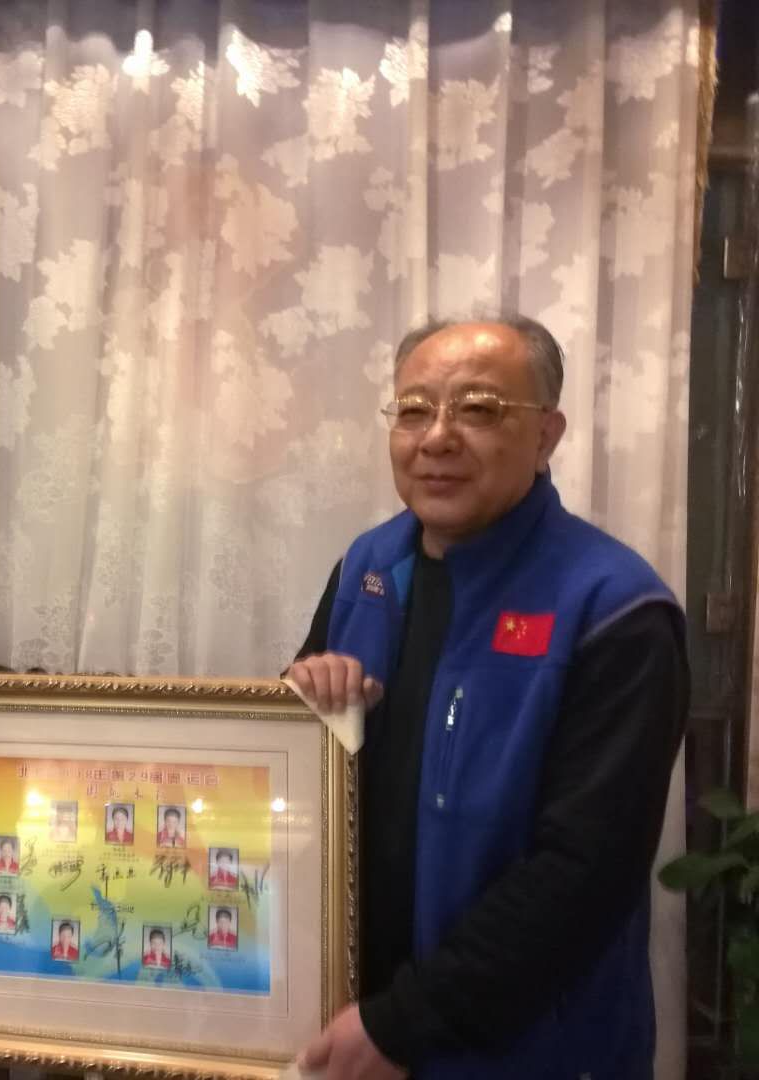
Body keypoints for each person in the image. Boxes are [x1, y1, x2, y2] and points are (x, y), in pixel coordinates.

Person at [288, 317, 688, 1080]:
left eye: (478, 409)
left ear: (546, 436)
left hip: (519, 1043)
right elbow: (306, 772)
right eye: (414, 410)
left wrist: (406, 1025)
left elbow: (584, 874)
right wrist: (305, 699)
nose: (437, 438)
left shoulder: (617, 609)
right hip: (353, 1016)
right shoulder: (368, 567)